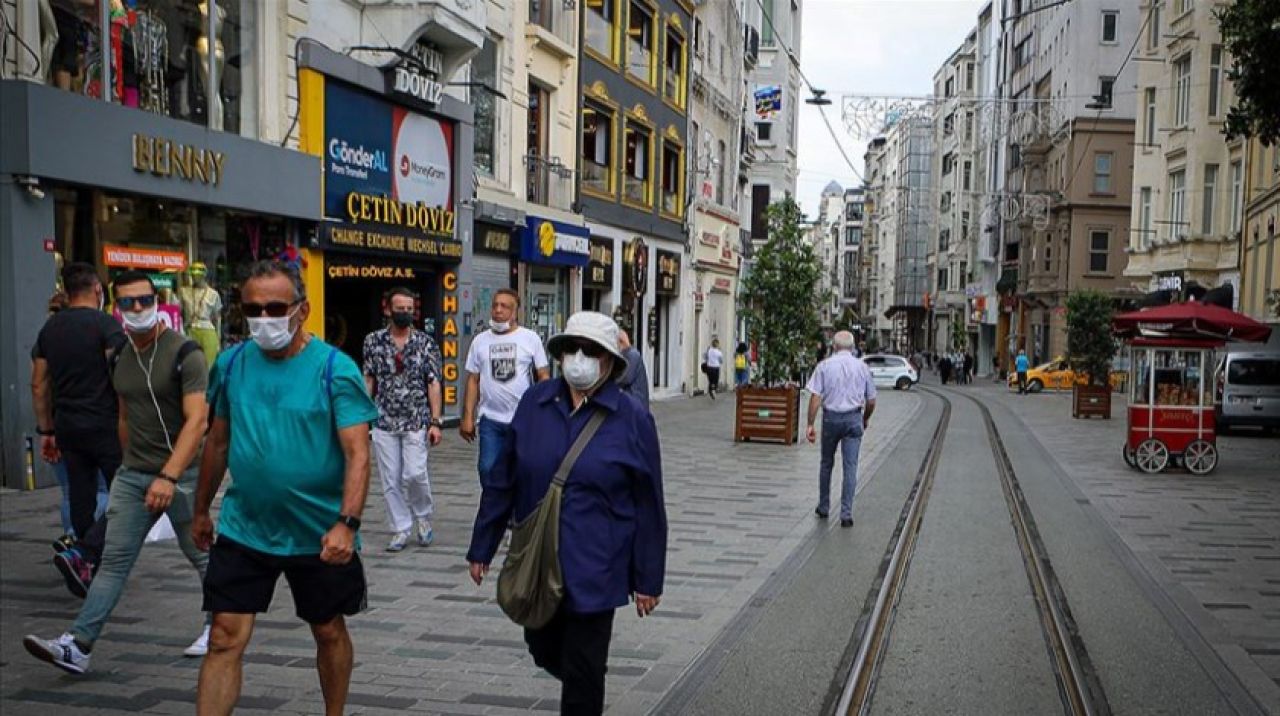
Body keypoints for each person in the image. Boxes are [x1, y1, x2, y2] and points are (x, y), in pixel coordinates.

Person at [192, 261, 378, 716]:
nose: (264, 318)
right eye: (253, 309)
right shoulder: (232, 363)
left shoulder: (336, 369)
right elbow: (217, 442)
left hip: (318, 533)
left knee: (327, 629)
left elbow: (358, 453)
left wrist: (347, 524)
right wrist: (200, 510)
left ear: (303, 310)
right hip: (244, 527)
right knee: (222, 637)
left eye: (276, 307)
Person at [467, 311, 666, 715]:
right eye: (571, 348)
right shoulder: (535, 403)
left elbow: (649, 503)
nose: (579, 357)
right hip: (539, 560)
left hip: (598, 564)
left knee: (583, 673)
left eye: (591, 350)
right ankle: (584, 673)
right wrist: (482, 546)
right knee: (541, 646)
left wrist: (648, 578)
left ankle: (586, 678)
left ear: (609, 360)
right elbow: (504, 478)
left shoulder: (632, 419)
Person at [23, 271, 212, 674]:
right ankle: (78, 645)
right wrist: (128, 466)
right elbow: (124, 414)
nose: (138, 309)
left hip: (182, 476)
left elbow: (198, 422)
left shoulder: (185, 353)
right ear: (115, 306)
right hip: (134, 475)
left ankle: (220, 626)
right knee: (112, 562)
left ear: (157, 300)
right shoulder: (122, 357)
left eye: (144, 300)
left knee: (202, 556)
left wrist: (169, 476)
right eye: (128, 303)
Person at [32, 262, 127, 597]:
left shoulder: (50, 329)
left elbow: (39, 385)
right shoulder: (106, 326)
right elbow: (121, 378)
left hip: (68, 426)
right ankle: (85, 554)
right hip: (106, 424)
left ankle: (87, 564)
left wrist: (46, 430)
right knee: (129, 497)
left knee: (82, 496)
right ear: (98, 290)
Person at [363, 287, 444, 552]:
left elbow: (433, 382)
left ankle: (423, 517)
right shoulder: (373, 341)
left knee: (415, 473)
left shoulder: (425, 343)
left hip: (415, 419)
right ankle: (400, 528)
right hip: (384, 419)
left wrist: (435, 420)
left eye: (410, 309)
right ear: (388, 309)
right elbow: (369, 379)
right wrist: (363, 416)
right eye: (400, 309)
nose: (405, 314)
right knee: (390, 478)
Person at [35, 290, 109, 552]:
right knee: (103, 491)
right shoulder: (98, 333)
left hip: (61, 426)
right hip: (97, 424)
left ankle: (74, 540)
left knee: (71, 491)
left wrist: (46, 430)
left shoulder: (47, 339)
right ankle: (81, 544)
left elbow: (38, 387)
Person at [459, 289, 550, 483]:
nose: (498, 310)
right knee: (487, 468)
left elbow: (543, 376)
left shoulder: (530, 338)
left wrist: (544, 411)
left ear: (515, 311)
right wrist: (467, 416)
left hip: (523, 419)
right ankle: (494, 508)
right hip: (490, 419)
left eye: (504, 306)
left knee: (522, 469)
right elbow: (473, 380)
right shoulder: (480, 341)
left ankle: (516, 510)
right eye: (495, 305)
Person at [805, 331, 877, 528]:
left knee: (827, 463)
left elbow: (815, 398)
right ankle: (846, 513)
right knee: (850, 467)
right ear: (853, 348)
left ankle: (824, 506)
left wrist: (810, 424)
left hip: (831, 419)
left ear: (834, 347)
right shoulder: (862, 367)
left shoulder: (824, 366)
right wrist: (865, 418)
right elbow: (871, 400)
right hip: (854, 418)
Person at [614, 329, 649, 409]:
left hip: (636, 399)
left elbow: (626, 378)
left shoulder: (632, 355)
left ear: (621, 342)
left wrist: (611, 381)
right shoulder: (628, 354)